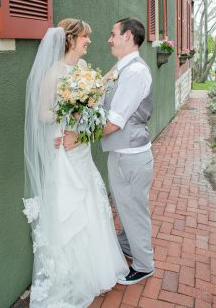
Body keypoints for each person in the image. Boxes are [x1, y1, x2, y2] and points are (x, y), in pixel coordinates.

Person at [23, 18, 128, 308]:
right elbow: (42, 113)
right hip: (62, 147)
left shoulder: (82, 69)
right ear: (70, 39)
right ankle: (73, 272)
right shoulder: (52, 74)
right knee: (69, 203)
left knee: (90, 201)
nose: (89, 42)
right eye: (85, 37)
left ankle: (95, 268)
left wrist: (84, 110)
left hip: (78, 145)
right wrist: (65, 109)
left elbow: (92, 104)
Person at [62, 17, 155, 285]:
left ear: (128, 36)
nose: (109, 39)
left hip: (131, 156)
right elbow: (99, 96)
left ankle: (143, 264)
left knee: (133, 209)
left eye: (113, 34)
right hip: (122, 154)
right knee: (125, 207)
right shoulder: (122, 67)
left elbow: (114, 121)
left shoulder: (135, 72)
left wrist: (79, 137)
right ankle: (128, 244)